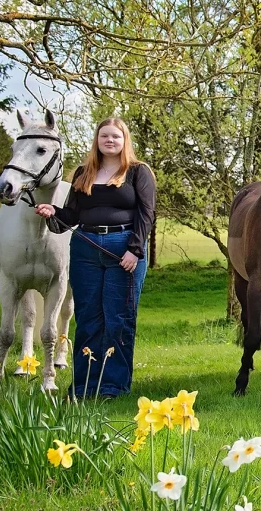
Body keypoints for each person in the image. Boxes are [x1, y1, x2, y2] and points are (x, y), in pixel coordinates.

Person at [35, 118, 156, 399]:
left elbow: (146, 214)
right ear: (97, 140)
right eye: (104, 136)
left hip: (122, 248)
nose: (110, 141)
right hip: (85, 249)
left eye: (115, 136)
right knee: (88, 319)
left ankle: (113, 386)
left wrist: (135, 250)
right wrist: (52, 212)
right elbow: (71, 217)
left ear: (125, 140)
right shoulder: (83, 172)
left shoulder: (138, 172)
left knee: (118, 319)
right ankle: (84, 385)